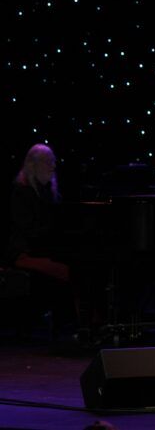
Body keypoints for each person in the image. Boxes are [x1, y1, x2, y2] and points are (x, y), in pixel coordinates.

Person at [4, 144, 74, 336]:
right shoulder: (21, 191)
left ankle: (67, 322)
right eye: (47, 162)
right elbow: (27, 229)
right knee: (66, 271)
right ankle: (63, 322)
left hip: (42, 249)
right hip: (23, 253)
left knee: (71, 268)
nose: (53, 167)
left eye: (53, 162)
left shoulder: (49, 192)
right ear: (33, 165)